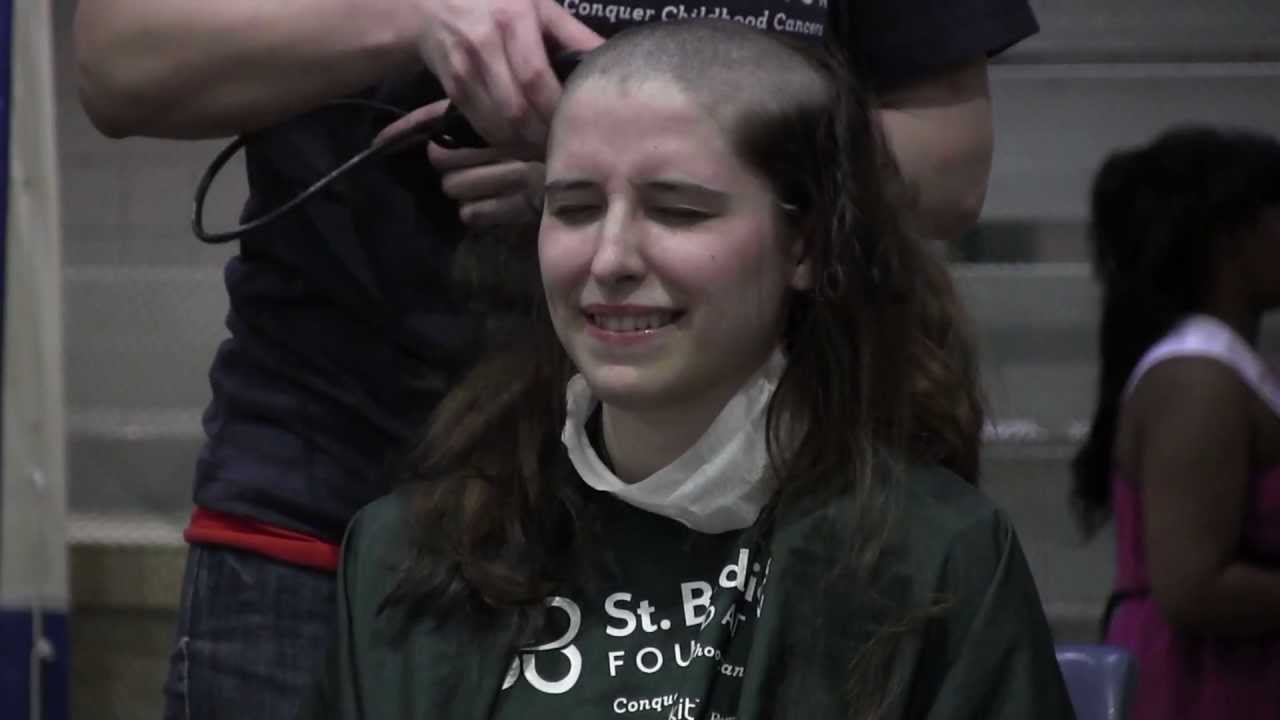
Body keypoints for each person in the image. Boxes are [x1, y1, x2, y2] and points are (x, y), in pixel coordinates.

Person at [70, 1, 1038, 718]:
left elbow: (947, 163)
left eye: (675, 210)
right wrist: (413, 20)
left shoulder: (939, 556)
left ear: (805, 241)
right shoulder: (383, 558)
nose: (612, 258)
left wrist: (617, 139)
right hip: (340, 499)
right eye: (577, 210)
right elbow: (121, 59)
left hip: (785, 533)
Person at [1072, 126, 1280, 720]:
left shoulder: (1230, 368)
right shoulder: (1198, 376)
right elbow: (1193, 585)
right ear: (1231, 235)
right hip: (1201, 688)